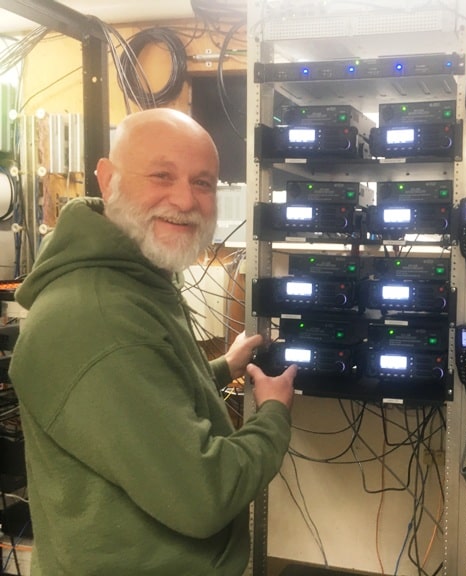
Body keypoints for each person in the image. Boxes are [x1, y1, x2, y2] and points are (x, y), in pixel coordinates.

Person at [9, 108, 296, 576]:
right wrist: (273, 416)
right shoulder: (99, 319)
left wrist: (225, 365)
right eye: (162, 175)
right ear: (108, 178)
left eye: (203, 182)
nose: (185, 199)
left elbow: (150, 392)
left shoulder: (133, 282)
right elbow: (205, 495)